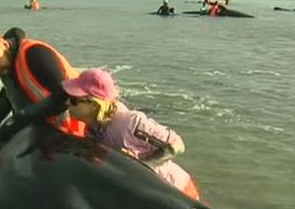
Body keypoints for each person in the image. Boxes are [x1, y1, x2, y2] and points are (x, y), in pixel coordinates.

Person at [61, 69, 200, 200]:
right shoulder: (92, 127)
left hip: (178, 192)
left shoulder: (130, 123)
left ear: (94, 105)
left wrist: (142, 166)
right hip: (145, 191)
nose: (67, 103)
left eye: (74, 100)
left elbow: (177, 144)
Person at [0, 28, 87, 151]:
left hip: (77, 131)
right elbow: (9, 93)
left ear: (4, 45)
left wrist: (21, 118)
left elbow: (65, 96)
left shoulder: (35, 54)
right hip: (45, 130)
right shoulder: (7, 65)